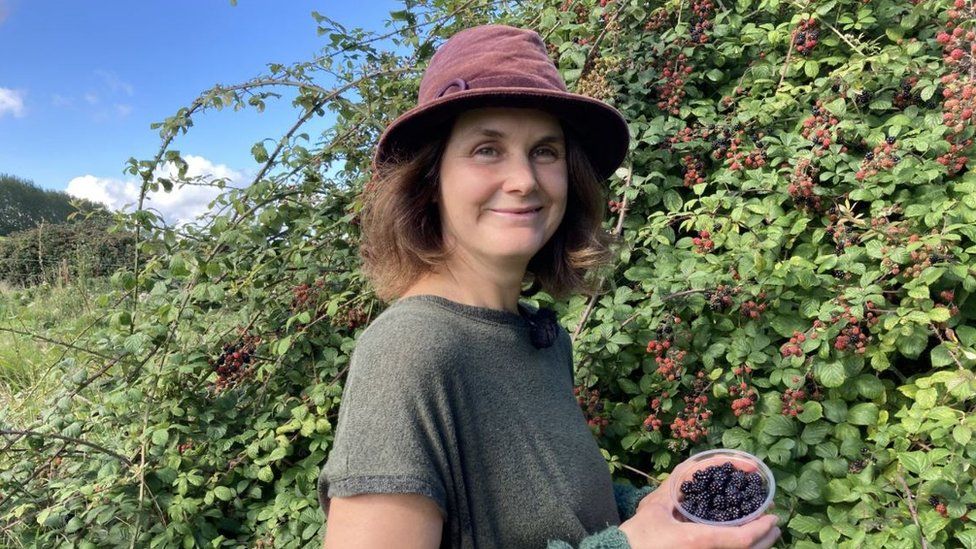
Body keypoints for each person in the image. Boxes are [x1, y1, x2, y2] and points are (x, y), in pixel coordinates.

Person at [317, 24, 781, 548]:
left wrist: (651, 508)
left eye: (545, 151)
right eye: (487, 149)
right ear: (430, 181)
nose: (524, 180)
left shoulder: (540, 338)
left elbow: (549, 515)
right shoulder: (409, 351)